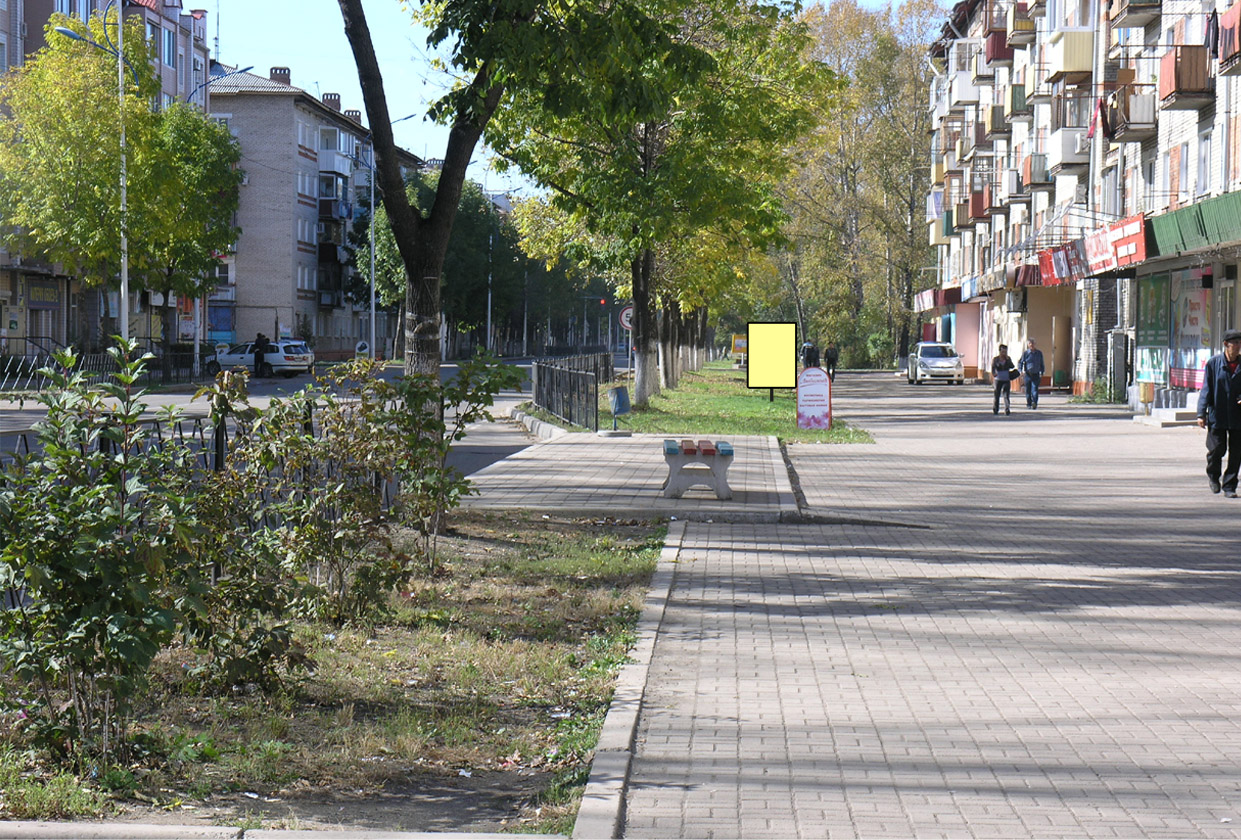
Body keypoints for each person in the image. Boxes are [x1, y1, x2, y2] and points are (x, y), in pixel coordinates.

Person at [1195, 328, 1241, 497]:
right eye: (1235, 343)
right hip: (1218, 414)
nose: (1238, 346)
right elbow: (1206, 389)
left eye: (1239, 343)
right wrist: (1201, 413)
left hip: (1237, 415)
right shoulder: (1214, 364)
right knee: (1216, 450)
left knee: (1236, 453)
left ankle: (1229, 486)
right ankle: (1214, 476)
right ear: (1225, 344)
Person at [1018, 339, 1046, 409]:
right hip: (1028, 374)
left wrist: (1042, 371)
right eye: (1030, 343)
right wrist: (1020, 371)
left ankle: (1034, 403)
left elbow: (1041, 363)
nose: (1031, 345)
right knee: (1028, 390)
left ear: (1035, 344)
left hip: (1036, 374)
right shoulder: (1025, 353)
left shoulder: (1039, 353)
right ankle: (1029, 403)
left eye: (1033, 343)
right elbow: (1020, 362)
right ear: (1028, 345)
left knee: (1035, 389)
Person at [991, 344, 1017, 415]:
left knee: (1006, 395)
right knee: (997, 395)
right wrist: (994, 374)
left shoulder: (1008, 359)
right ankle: (995, 409)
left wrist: (1008, 360)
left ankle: (1007, 409)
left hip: (1006, 379)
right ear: (999, 351)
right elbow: (993, 368)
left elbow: (1012, 366)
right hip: (998, 379)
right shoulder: (996, 359)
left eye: (1005, 352)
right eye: (1002, 352)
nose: (1004, 353)